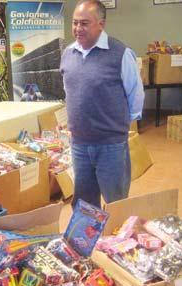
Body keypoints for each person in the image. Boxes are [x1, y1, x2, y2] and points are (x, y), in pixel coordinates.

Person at [60, 0, 144, 208]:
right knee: (84, 204)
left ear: (101, 24)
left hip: (111, 145)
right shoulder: (68, 54)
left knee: (116, 202)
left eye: (85, 23)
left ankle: (117, 241)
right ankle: (88, 241)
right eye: (75, 23)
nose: (78, 29)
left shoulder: (120, 54)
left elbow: (136, 94)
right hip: (79, 144)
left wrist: (119, 128)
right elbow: (70, 92)